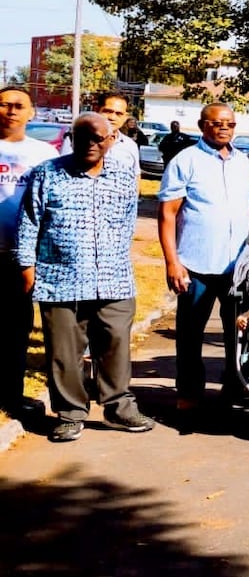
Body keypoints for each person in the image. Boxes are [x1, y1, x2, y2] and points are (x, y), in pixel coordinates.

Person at [17, 112, 151, 441]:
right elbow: (29, 223)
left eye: (98, 138)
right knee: (64, 352)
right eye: (82, 137)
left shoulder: (123, 177)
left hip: (114, 278)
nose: (90, 143)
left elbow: (127, 224)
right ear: (71, 139)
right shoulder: (47, 174)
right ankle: (70, 412)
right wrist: (27, 269)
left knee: (116, 346)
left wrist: (117, 260)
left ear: (111, 140)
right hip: (59, 278)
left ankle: (118, 406)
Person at [159, 103, 249, 420]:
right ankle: (188, 394)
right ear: (202, 125)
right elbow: (167, 214)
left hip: (237, 268)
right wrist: (172, 262)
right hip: (195, 264)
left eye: (229, 123)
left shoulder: (243, 163)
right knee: (190, 334)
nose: (224, 128)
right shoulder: (185, 161)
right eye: (216, 122)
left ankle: (233, 387)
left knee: (237, 331)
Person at [1, 87, 61, 413]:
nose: (11, 110)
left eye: (18, 105)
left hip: (22, 256)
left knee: (15, 329)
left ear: (31, 112)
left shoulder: (44, 155)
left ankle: (10, 395)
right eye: (4, 104)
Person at [93, 93, 141, 172]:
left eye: (119, 114)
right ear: (97, 110)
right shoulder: (79, 140)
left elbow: (135, 178)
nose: (112, 118)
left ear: (125, 117)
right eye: (108, 111)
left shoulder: (130, 146)